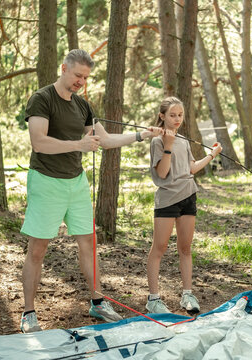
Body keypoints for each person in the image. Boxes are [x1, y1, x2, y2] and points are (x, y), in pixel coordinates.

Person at [19, 49, 162, 333]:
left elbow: (105, 139)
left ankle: (97, 301)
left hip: (76, 181)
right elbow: (39, 142)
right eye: (77, 75)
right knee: (37, 249)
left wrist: (141, 135)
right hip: (46, 180)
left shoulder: (83, 106)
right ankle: (28, 313)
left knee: (89, 242)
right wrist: (78, 145)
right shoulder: (42, 99)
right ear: (63, 68)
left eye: (85, 77)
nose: (81, 82)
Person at [146, 96, 222, 315]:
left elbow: (191, 169)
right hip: (167, 199)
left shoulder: (184, 140)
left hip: (188, 195)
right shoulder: (157, 141)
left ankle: (187, 294)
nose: (177, 119)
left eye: (180, 115)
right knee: (159, 248)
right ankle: (153, 299)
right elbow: (161, 173)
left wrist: (211, 154)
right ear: (162, 116)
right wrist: (167, 146)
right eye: (172, 115)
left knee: (185, 248)